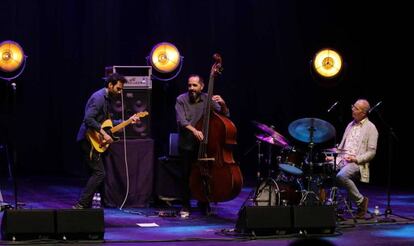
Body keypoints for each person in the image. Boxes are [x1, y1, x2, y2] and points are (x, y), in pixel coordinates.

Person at [74, 73, 140, 209]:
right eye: (118, 89)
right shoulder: (99, 98)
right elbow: (88, 119)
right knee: (99, 173)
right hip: (88, 139)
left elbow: (107, 123)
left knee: (94, 174)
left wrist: (127, 121)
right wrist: (103, 134)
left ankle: (85, 207)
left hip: (93, 139)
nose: (120, 92)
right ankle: (81, 205)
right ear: (110, 85)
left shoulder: (107, 99)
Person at [175, 74, 229, 217]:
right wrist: (194, 130)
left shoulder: (207, 99)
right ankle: (185, 206)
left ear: (202, 86)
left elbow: (225, 114)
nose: (191, 88)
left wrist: (223, 103)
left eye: (194, 85)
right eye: (189, 85)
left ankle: (203, 202)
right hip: (186, 143)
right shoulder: (181, 99)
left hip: (204, 144)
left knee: (204, 174)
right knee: (186, 175)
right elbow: (181, 121)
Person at [328, 99, 378, 219]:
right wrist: (333, 156)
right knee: (321, 168)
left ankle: (361, 201)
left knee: (341, 176)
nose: (353, 109)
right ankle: (327, 204)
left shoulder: (371, 128)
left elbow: (372, 152)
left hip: (357, 163)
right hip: (342, 159)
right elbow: (342, 147)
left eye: (356, 108)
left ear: (364, 113)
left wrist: (356, 159)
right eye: (353, 106)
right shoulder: (349, 125)